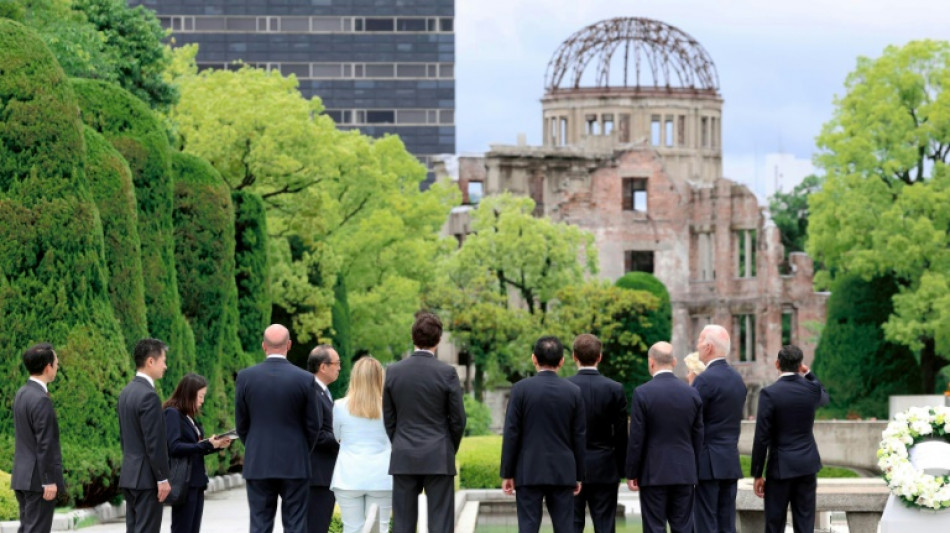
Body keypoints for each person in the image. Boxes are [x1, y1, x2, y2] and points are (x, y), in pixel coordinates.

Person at [383, 312, 466, 533]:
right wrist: (449, 446)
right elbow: (458, 419)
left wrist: (399, 441)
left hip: (404, 453)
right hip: (438, 453)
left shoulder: (393, 372)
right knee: (440, 524)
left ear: (413, 338)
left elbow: (389, 418)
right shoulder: (447, 373)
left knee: (403, 524)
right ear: (439, 340)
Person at [235, 324, 322, 533]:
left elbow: (242, 423)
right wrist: (301, 449)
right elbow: (314, 424)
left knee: (259, 524)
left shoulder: (246, 377)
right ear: (289, 345)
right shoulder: (305, 379)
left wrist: (255, 445)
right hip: (295, 462)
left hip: (259, 461)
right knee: (295, 524)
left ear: (264, 346)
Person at [500, 336, 586, 533]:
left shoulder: (520, 390)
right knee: (565, 528)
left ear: (534, 359)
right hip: (563, 471)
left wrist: (507, 472)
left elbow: (512, 432)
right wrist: (579, 475)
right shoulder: (573, 392)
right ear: (562, 361)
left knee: (528, 527)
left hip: (528, 469)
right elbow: (579, 436)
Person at [625, 342, 703, 533]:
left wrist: (631, 472)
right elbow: (698, 436)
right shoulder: (692, 394)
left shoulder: (642, 393)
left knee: (654, 527)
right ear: (675, 362)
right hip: (684, 471)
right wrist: (695, 468)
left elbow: (636, 438)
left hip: (653, 472)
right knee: (683, 527)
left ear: (651, 363)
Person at [751, 345, 830, 533]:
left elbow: (761, 436)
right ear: (800, 365)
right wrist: (809, 373)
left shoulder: (769, 393)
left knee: (774, 524)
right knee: (805, 524)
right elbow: (825, 397)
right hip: (807, 465)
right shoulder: (811, 389)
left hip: (780, 468)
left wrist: (757, 473)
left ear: (777, 364)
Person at [566, 334, 627, 533]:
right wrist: (622, 469)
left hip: (571, 467)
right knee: (605, 526)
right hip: (605, 466)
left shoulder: (565, 388)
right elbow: (620, 435)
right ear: (599, 357)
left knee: (572, 525)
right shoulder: (615, 389)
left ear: (574, 356)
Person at [691, 324, 747, 533]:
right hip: (729, 459)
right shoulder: (737, 379)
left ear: (708, 347)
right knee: (727, 521)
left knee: (706, 522)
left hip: (708, 461)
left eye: (699, 341)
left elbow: (692, 419)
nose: (696, 345)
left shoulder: (704, 380)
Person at [163, 373, 233, 533]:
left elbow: (195, 448)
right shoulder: (172, 414)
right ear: (189, 394)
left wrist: (215, 446)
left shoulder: (189, 417)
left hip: (197, 482)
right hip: (185, 483)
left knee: (193, 529)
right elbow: (174, 447)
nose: (202, 401)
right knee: (183, 528)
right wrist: (206, 444)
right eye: (200, 396)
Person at [330, 357, 393, 533]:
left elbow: (337, 437)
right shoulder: (389, 406)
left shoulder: (340, 406)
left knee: (352, 529)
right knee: (381, 528)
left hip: (348, 476)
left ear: (355, 377)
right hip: (382, 476)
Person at [118, 338, 172, 533]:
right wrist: (162, 478)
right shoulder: (149, 396)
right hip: (147, 479)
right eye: (163, 360)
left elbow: (126, 438)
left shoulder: (126, 392)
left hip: (130, 475)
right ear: (150, 361)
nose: (165, 366)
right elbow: (154, 442)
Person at [12, 343, 65, 533]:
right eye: (56, 363)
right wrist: (48, 479)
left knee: (28, 528)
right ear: (47, 367)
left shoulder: (22, 393)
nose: (57, 366)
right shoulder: (41, 399)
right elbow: (45, 443)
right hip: (38, 481)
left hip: (23, 477)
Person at [307, 345, 342, 533]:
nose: (339, 368)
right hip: (317, 475)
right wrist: (342, 440)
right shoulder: (312, 392)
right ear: (323, 367)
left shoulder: (322, 392)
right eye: (336, 364)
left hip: (323, 474)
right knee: (315, 526)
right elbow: (317, 434)